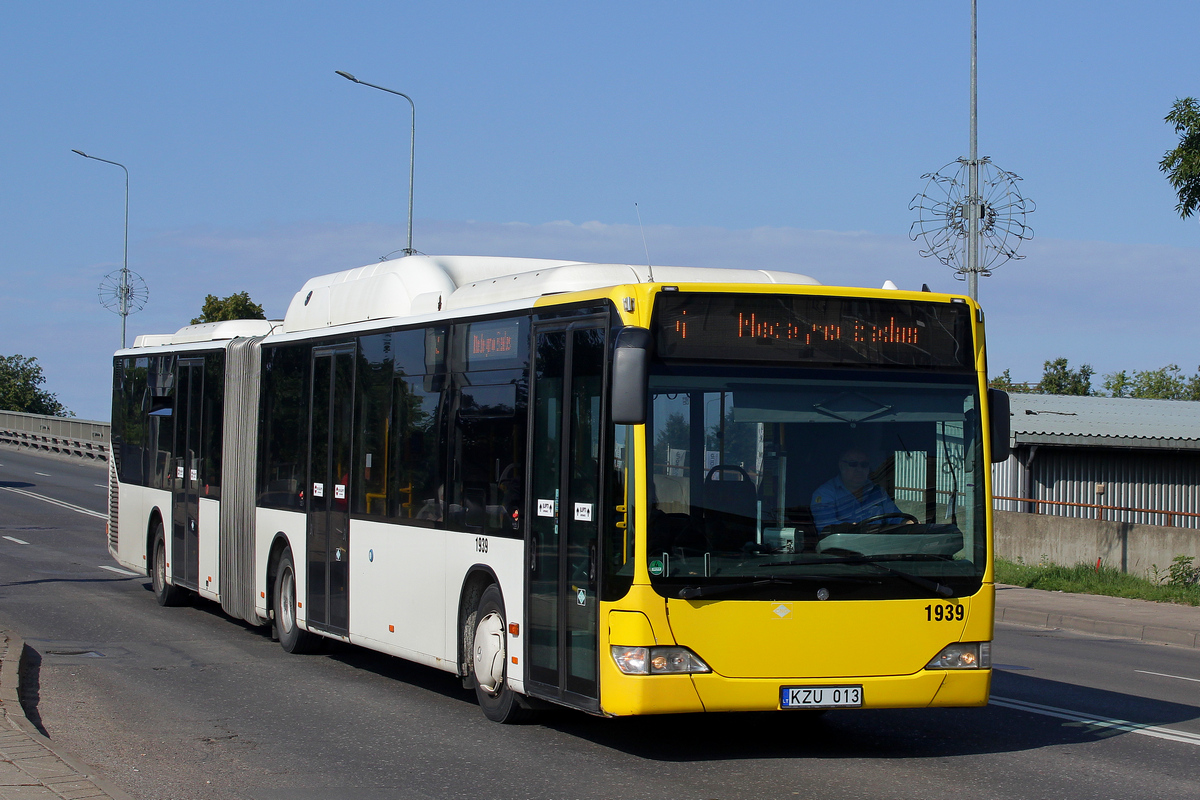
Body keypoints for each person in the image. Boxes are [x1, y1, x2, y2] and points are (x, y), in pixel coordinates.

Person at [810, 447, 904, 532]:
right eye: (853, 464)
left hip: (881, 547)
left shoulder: (878, 492)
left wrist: (907, 522)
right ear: (841, 466)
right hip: (841, 549)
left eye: (864, 465)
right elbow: (827, 530)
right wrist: (851, 529)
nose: (859, 469)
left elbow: (896, 518)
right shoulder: (825, 494)